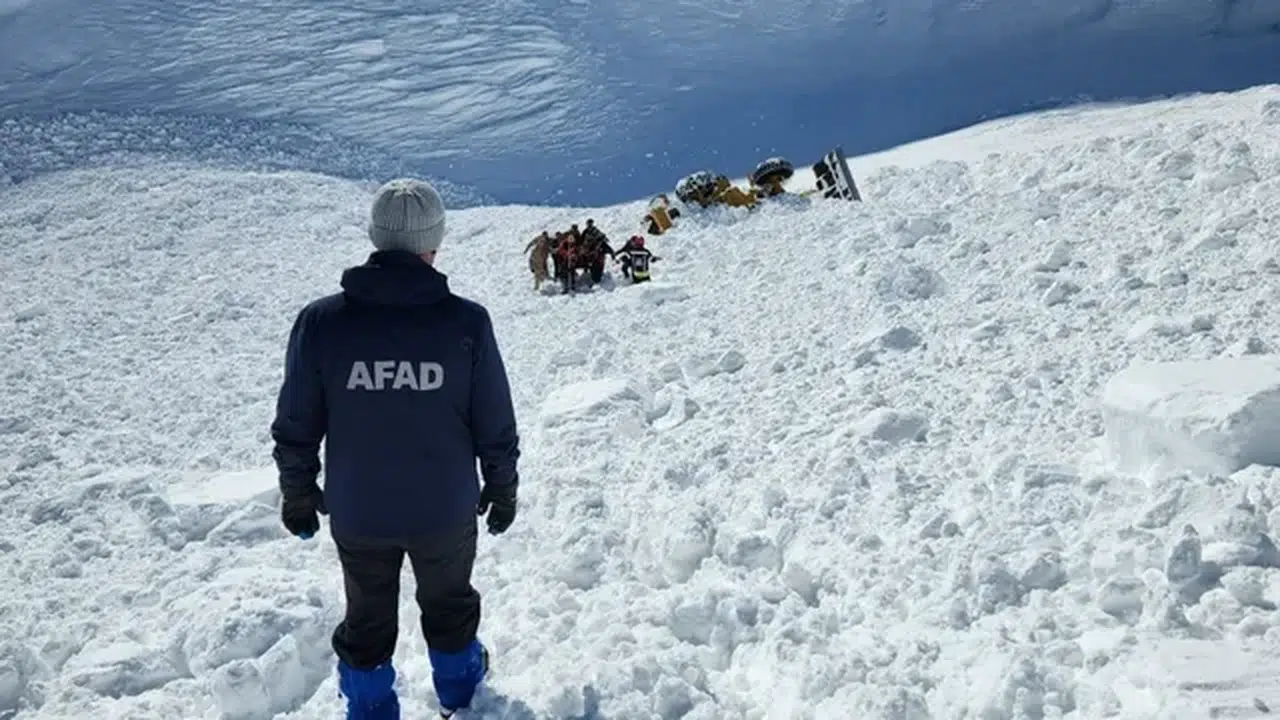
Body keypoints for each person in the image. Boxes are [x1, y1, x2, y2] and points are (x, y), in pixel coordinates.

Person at [270, 178, 521, 720]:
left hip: (360, 510)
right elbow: (493, 418)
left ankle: (370, 708)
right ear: (435, 243)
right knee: (450, 605)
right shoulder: (466, 322)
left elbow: (297, 420)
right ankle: (461, 697)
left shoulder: (322, 323)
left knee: (366, 616)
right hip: (445, 509)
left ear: (376, 239)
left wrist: (297, 491)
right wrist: (502, 485)